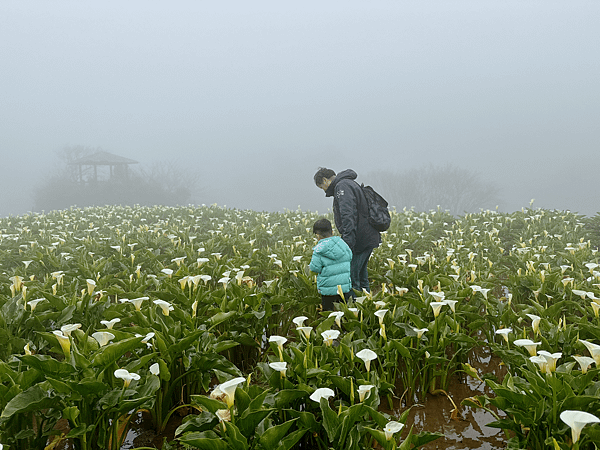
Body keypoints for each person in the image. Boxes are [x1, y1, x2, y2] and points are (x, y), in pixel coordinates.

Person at [313, 168, 381, 294]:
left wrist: (346, 246)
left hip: (359, 240)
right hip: (366, 237)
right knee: (361, 277)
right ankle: (366, 307)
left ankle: (356, 309)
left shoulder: (342, 187)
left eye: (321, 186)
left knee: (353, 279)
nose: (324, 190)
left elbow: (348, 216)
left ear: (325, 180)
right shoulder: (347, 183)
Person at [309, 218, 352, 311]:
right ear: (332, 231)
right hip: (344, 287)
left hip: (328, 289)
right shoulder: (342, 243)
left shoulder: (319, 249)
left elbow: (314, 268)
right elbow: (350, 256)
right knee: (344, 311)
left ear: (317, 235)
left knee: (328, 313)